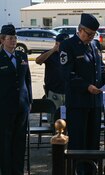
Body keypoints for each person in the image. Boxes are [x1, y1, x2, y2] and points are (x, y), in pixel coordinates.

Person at [59, 13, 105, 175]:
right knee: (79, 142)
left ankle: (92, 171)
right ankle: (79, 171)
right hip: (78, 103)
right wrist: (86, 86)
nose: (90, 37)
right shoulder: (68, 46)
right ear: (80, 29)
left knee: (92, 142)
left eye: (93, 34)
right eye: (88, 34)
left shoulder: (94, 45)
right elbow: (67, 74)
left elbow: (100, 69)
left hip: (95, 103)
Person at [0, 24, 32, 175]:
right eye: (10, 38)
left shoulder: (21, 56)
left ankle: (18, 170)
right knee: (6, 142)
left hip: (22, 105)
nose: (13, 41)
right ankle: (6, 171)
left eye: (15, 38)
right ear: (2, 40)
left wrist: (29, 101)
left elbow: (28, 80)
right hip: (5, 107)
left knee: (20, 141)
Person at [35, 33, 69, 111]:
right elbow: (38, 60)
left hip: (68, 91)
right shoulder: (50, 53)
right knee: (54, 117)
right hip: (54, 91)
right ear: (57, 43)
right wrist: (53, 50)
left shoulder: (70, 53)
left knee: (68, 118)